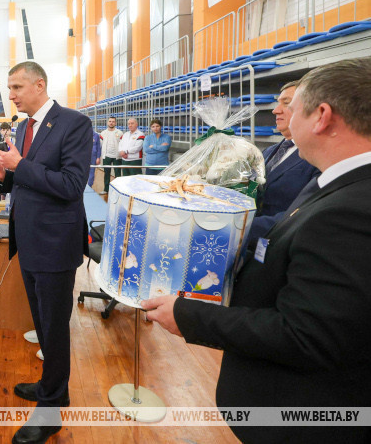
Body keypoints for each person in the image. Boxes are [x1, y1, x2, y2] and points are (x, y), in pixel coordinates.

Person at [142, 58, 371, 444]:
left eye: (293, 108)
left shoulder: (350, 209)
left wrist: (189, 315)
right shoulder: (336, 186)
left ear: (322, 117)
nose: (283, 115)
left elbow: (306, 335)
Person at [0, 61, 91, 444]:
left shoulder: (75, 123)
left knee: (55, 328)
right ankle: (53, 388)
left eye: (16, 87)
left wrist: (19, 166)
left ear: (39, 85)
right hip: (27, 239)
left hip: (56, 244)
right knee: (42, 322)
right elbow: (29, 178)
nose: (10, 95)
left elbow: (72, 185)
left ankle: (50, 411)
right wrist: (5, 177)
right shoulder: (24, 126)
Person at [247, 81, 320, 244]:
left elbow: (301, 213)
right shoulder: (269, 151)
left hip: (282, 243)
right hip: (253, 246)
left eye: (286, 103)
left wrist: (241, 226)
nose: (275, 110)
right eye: (277, 103)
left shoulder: (318, 157)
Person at [99, 116, 122, 194]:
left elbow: (122, 144)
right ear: (107, 122)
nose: (111, 123)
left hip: (117, 156)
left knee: (117, 174)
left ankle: (117, 191)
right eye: (110, 121)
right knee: (106, 173)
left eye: (113, 121)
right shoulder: (103, 133)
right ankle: (106, 189)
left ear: (115, 123)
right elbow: (100, 144)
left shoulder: (119, 132)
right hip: (107, 156)